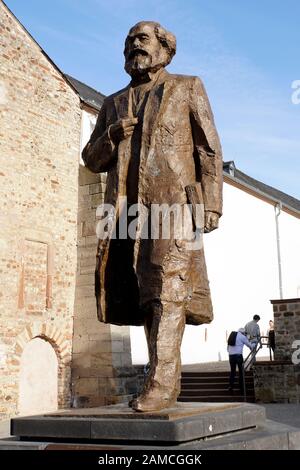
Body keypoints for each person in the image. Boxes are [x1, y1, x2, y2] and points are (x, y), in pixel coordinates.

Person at [82, 21, 223, 412]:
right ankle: (161, 381)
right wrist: (111, 136)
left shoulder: (187, 87)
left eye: (141, 39)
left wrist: (210, 203)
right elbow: (91, 159)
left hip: (174, 203)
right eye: (128, 41)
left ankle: (161, 383)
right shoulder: (112, 104)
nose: (133, 46)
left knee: (168, 286)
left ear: (164, 47)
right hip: (126, 210)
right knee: (146, 294)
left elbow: (208, 149)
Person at [228, 328, 253, 394]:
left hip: (231, 356)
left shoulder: (232, 335)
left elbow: (228, 348)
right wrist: (254, 344)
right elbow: (250, 345)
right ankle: (242, 388)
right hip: (238, 356)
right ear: (243, 333)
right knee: (241, 372)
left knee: (232, 372)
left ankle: (231, 387)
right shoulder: (242, 337)